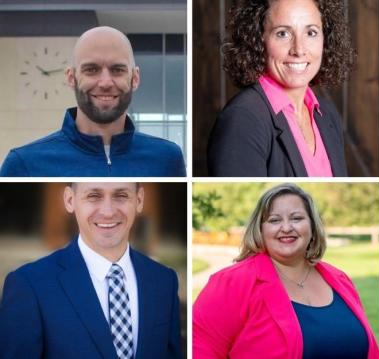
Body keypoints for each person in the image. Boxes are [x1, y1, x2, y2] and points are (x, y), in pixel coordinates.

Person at [192, 183, 379, 359]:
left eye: (297, 218)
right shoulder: (231, 283)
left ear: (312, 227)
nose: (287, 228)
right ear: (260, 229)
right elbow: (200, 349)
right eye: (274, 220)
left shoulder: (340, 279)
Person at [0, 183, 182, 358]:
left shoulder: (164, 280)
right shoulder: (29, 285)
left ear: (139, 200)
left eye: (121, 195)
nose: (108, 212)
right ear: (70, 200)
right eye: (94, 196)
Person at [0, 27, 185, 177]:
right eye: (91, 69)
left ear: (135, 78)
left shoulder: (167, 159)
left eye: (117, 70)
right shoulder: (24, 165)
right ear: (71, 77)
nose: (105, 83)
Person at [207, 0, 354, 177]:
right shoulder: (242, 119)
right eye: (283, 33)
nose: (299, 50)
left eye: (311, 32)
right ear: (258, 39)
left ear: (325, 39)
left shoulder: (327, 114)